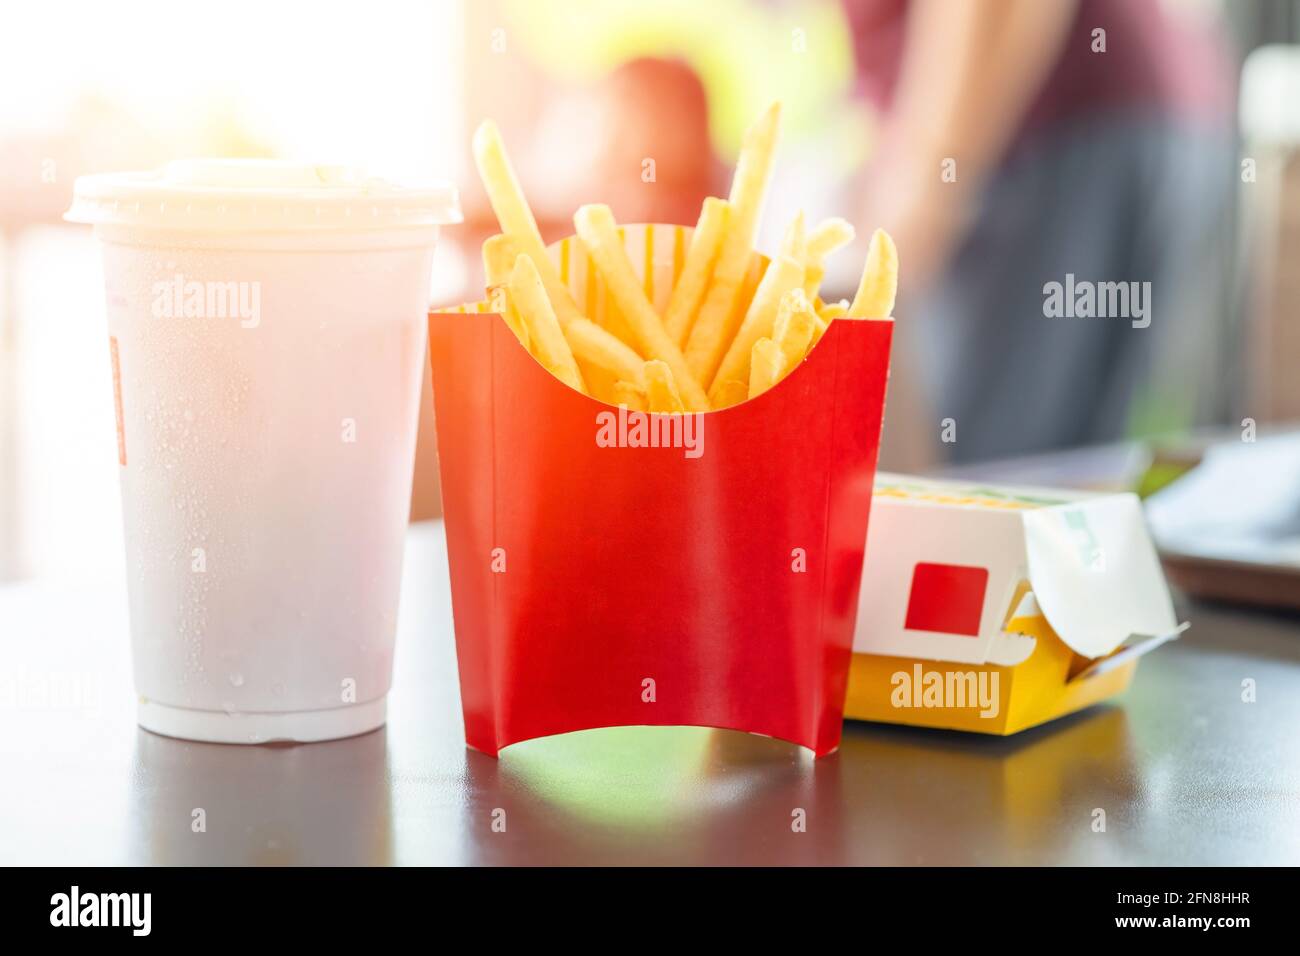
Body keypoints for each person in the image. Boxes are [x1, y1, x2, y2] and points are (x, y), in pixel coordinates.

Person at [846, 0, 1237, 461]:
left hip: (1053, 128)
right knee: (1077, 479)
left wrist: (933, 174)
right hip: (1148, 113)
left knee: (990, 484)